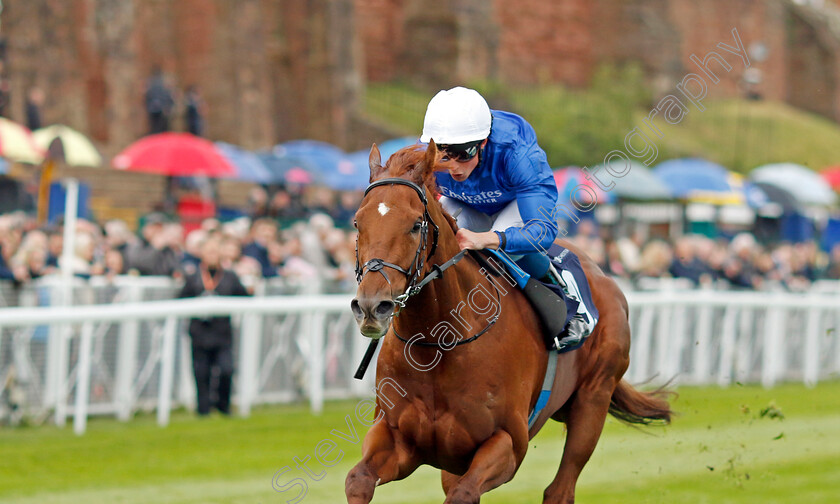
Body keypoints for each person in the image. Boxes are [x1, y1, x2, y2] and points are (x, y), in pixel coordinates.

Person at [420, 86, 596, 348]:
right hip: (463, 202)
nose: (453, 166)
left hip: (515, 204)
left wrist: (486, 239)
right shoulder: (425, 155)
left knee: (494, 255)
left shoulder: (518, 155)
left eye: (463, 153)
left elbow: (542, 233)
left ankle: (564, 291)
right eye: (444, 154)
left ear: (483, 143)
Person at [179, 233, 249, 416]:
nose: (212, 255)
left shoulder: (230, 277)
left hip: (222, 333)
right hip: (199, 333)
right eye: (208, 251)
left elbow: (244, 298)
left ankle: (223, 405)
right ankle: (203, 409)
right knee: (201, 373)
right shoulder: (193, 277)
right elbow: (180, 300)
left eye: (215, 251)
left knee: (226, 369)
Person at [144, 67, 175, 135]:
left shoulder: (150, 84)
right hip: (160, 110)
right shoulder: (162, 84)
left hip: (152, 109)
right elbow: (167, 96)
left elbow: (147, 97)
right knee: (160, 127)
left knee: (154, 127)